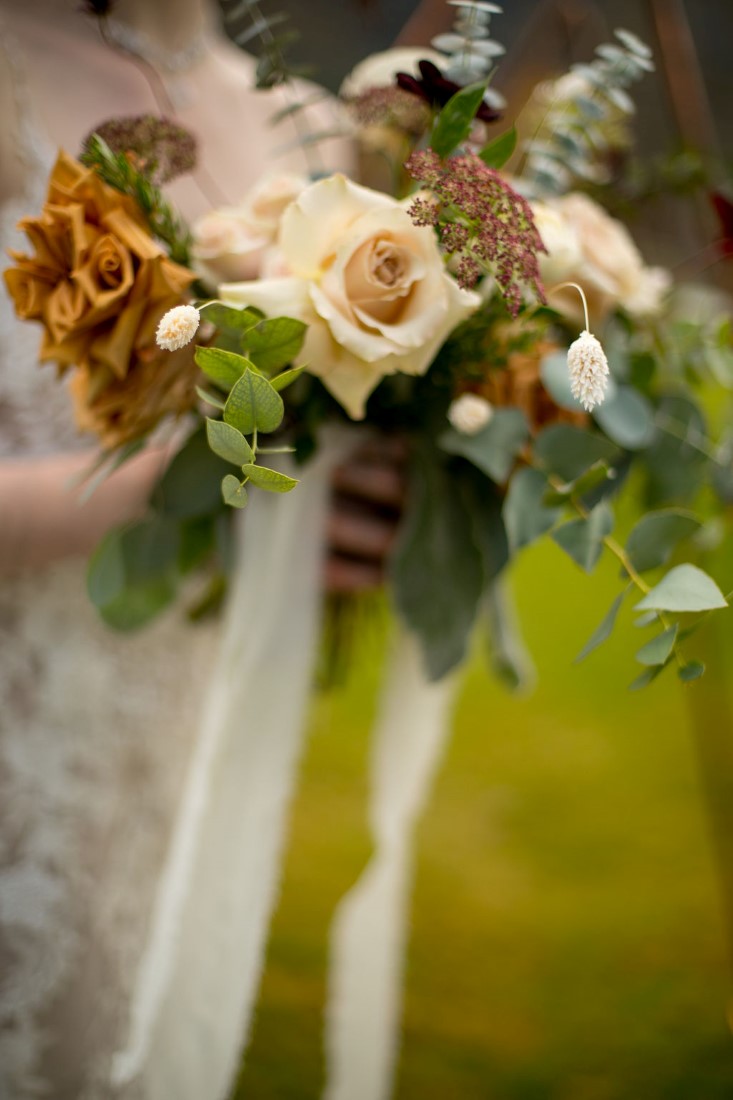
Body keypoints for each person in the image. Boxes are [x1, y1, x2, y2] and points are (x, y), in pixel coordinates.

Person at [0, 1, 401, 1096]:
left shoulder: (308, 124)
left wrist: (361, 499)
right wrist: (191, 485)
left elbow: (308, 443)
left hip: (195, 771)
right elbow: (234, 472)